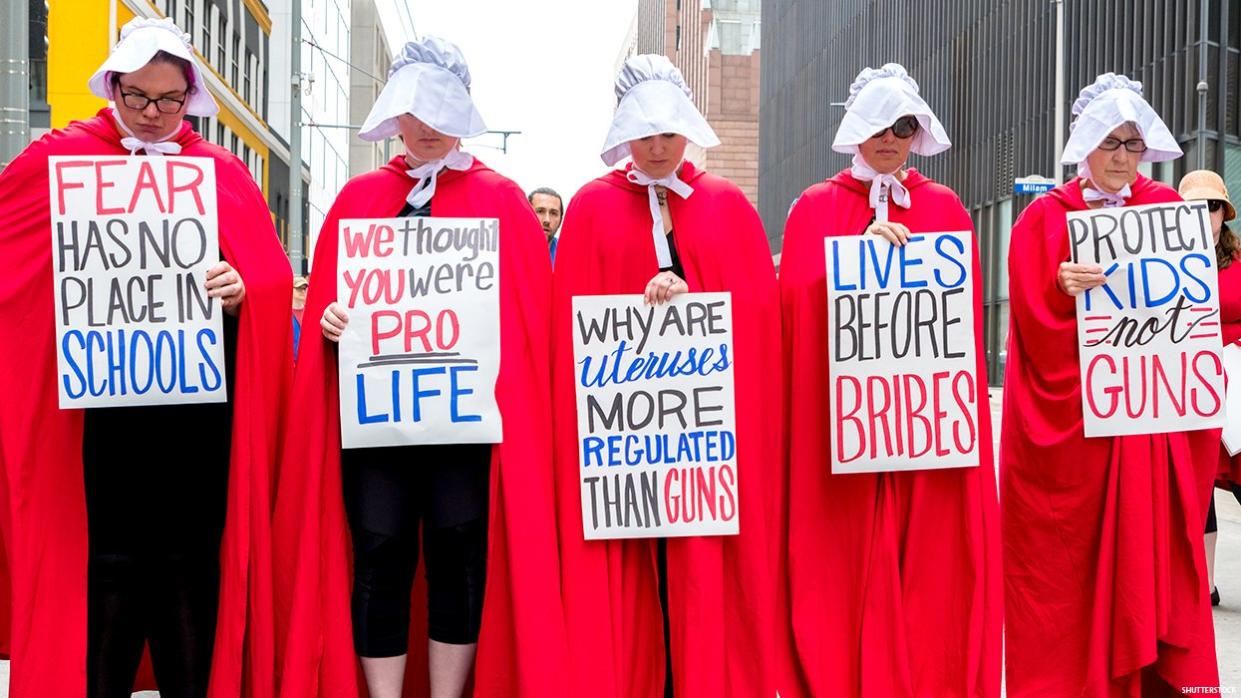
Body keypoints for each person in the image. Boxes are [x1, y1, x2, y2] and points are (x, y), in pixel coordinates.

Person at [0, 16, 291, 698]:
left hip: (196, 417)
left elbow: (272, 281)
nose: (154, 114)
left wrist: (243, 287)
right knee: (109, 563)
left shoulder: (219, 173)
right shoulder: (57, 162)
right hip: (96, 418)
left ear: (190, 96)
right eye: (138, 97)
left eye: (168, 99)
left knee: (187, 563)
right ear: (114, 88)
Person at [272, 37, 568, 698]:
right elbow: (330, 304)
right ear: (395, 116)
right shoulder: (357, 200)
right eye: (415, 111)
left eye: (440, 111)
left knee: (459, 555)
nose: (428, 127)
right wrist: (330, 324)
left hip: (464, 427)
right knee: (379, 551)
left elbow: (528, 324)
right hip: (376, 423)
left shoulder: (503, 201)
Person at [550, 54, 787, 698]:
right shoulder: (592, 210)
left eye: (669, 133)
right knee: (631, 573)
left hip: (706, 448)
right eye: (645, 133)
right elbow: (573, 328)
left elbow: (758, 326)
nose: (657, 147)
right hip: (621, 451)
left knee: (705, 575)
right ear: (624, 133)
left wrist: (692, 297)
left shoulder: (727, 206)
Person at [778, 63, 1001, 697]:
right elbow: (792, 312)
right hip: (841, 434)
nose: (890, 138)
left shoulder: (945, 207)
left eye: (904, 125)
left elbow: (957, 330)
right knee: (841, 564)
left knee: (929, 570)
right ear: (855, 130)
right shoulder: (816, 208)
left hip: (921, 437)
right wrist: (850, 262)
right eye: (878, 124)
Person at [1002, 73, 1220, 695]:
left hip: (1147, 441)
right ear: (1084, 146)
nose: (1123, 156)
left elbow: (1186, 331)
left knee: (1147, 565)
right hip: (1079, 448)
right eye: (1110, 142)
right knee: (1066, 576)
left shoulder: (1167, 212)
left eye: (1132, 143)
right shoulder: (1043, 218)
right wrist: (1058, 287)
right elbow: (1029, 327)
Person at [1178, 169, 1241, 607]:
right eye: (1196, 207)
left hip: (1236, 385)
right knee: (1196, 487)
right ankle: (1205, 583)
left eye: (1212, 206)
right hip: (1188, 384)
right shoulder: (1167, 259)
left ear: (1224, 212)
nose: (1206, 215)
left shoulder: (1239, 262)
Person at [528, 187, 563, 261]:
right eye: (540, 211)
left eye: (553, 213)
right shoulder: (510, 252)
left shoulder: (568, 254)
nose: (547, 220)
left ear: (560, 221)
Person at [292, 275, 308, 361]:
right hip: (291, 363)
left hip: (305, 361)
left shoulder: (309, 312)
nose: (302, 291)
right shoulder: (285, 313)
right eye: (299, 288)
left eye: (304, 289)